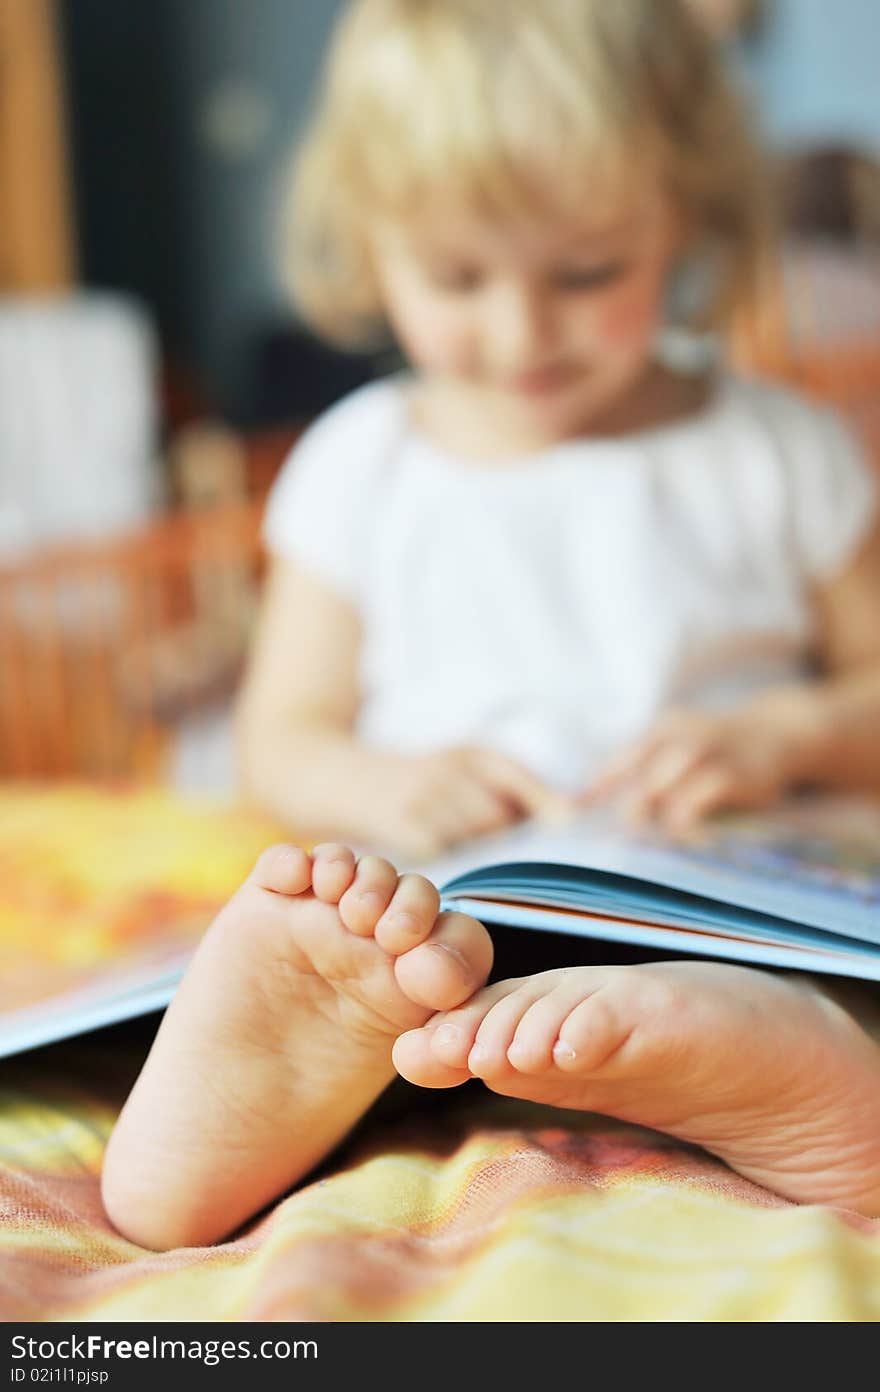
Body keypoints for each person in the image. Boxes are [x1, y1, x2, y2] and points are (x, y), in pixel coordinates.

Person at [102, 0, 880, 1250]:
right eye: (458, 278)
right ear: (372, 243)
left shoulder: (775, 447)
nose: (522, 332)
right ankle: (295, 1055)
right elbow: (280, 739)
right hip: (445, 911)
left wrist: (787, 734)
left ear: (682, 215)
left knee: (803, 953)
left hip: (730, 885)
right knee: (375, 943)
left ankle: (772, 1049)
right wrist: (377, 779)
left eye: (587, 273)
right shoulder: (361, 463)